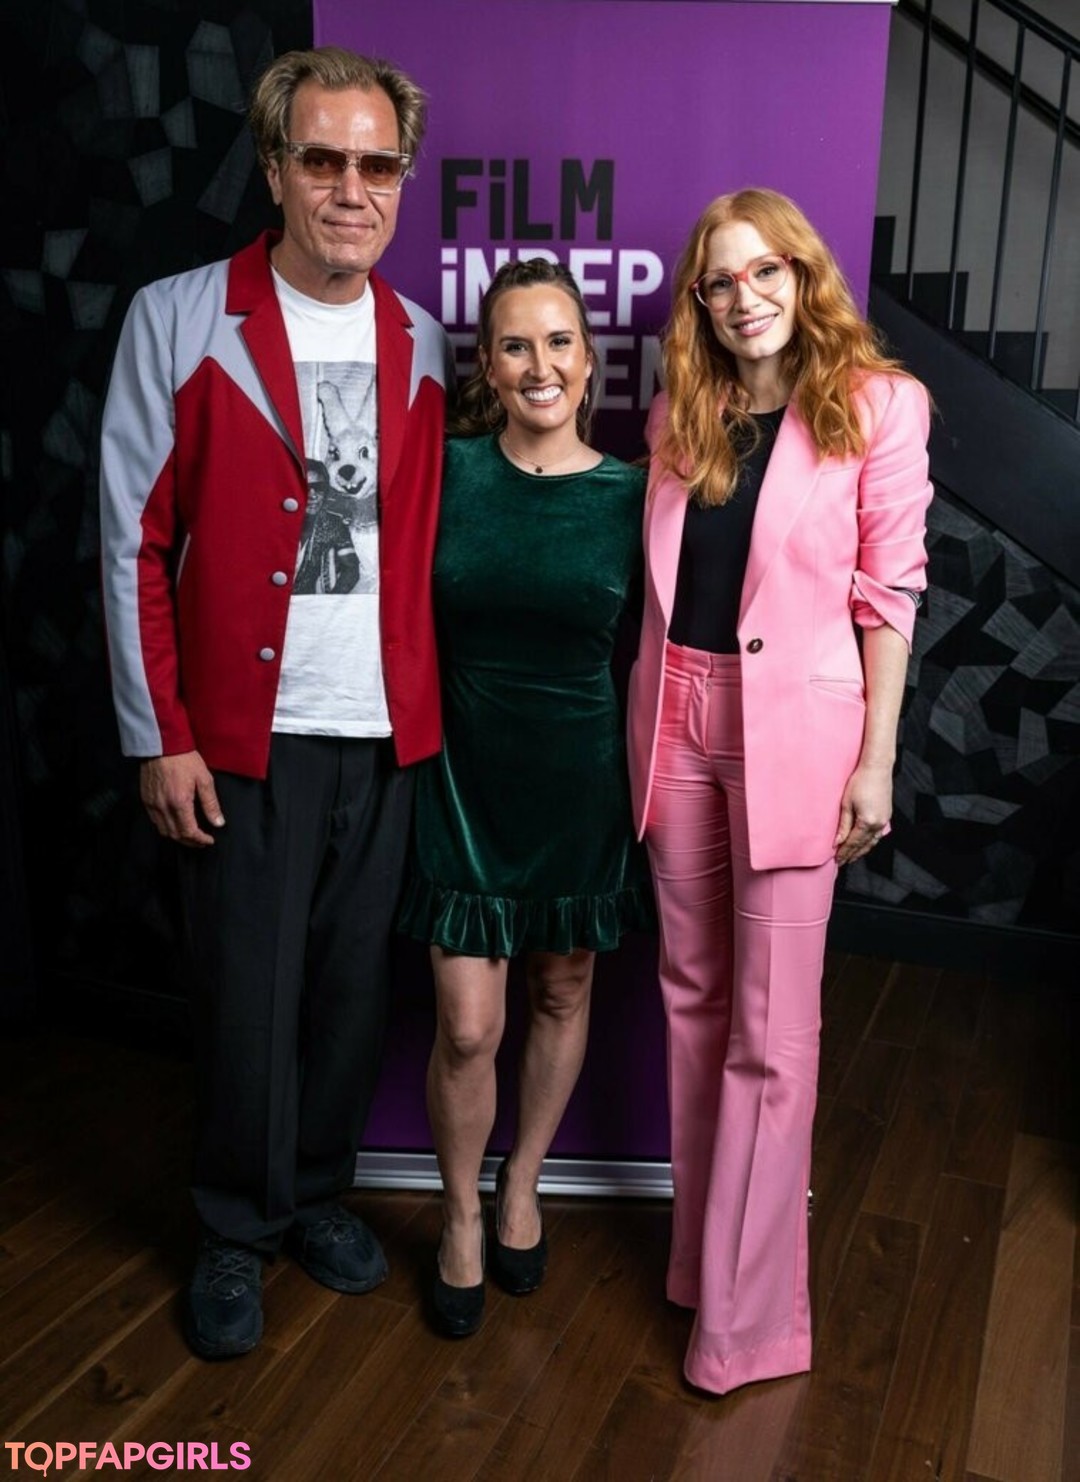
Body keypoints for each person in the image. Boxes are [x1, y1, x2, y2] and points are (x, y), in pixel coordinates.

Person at [99, 46, 451, 1360]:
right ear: (274, 167)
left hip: (385, 730)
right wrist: (163, 735)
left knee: (352, 993)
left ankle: (313, 1194)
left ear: (401, 180)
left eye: (377, 164)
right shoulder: (178, 317)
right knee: (248, 994)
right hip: (244, 735)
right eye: (323, 159)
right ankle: (235, 1226)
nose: (351, 189)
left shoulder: (422, 339)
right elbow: (131, 540)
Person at [627, 189, 932, 1394]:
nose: (743, 297)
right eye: (720, 280)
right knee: (694, 1002)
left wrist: (878, 758)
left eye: (766, 272)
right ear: (700, 302)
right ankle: (704, 1266)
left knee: (773, 1036)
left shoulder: (880, 404)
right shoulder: (680, 413)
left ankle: (746, 1328)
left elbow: (889, 595)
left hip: (797, 739)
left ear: (804, 277)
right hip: (678, 726)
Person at [398, 258, 653, 1337]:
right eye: (515, 344)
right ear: (487, 366)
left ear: (590, 361)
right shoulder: (446, 472)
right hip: (463, 780)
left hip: (581, 784)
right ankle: (458, 1214)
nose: (539, 364)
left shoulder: (635, 496)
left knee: (561, 989)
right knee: (468, 1028)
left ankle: (521, 1185)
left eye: (558, 342)